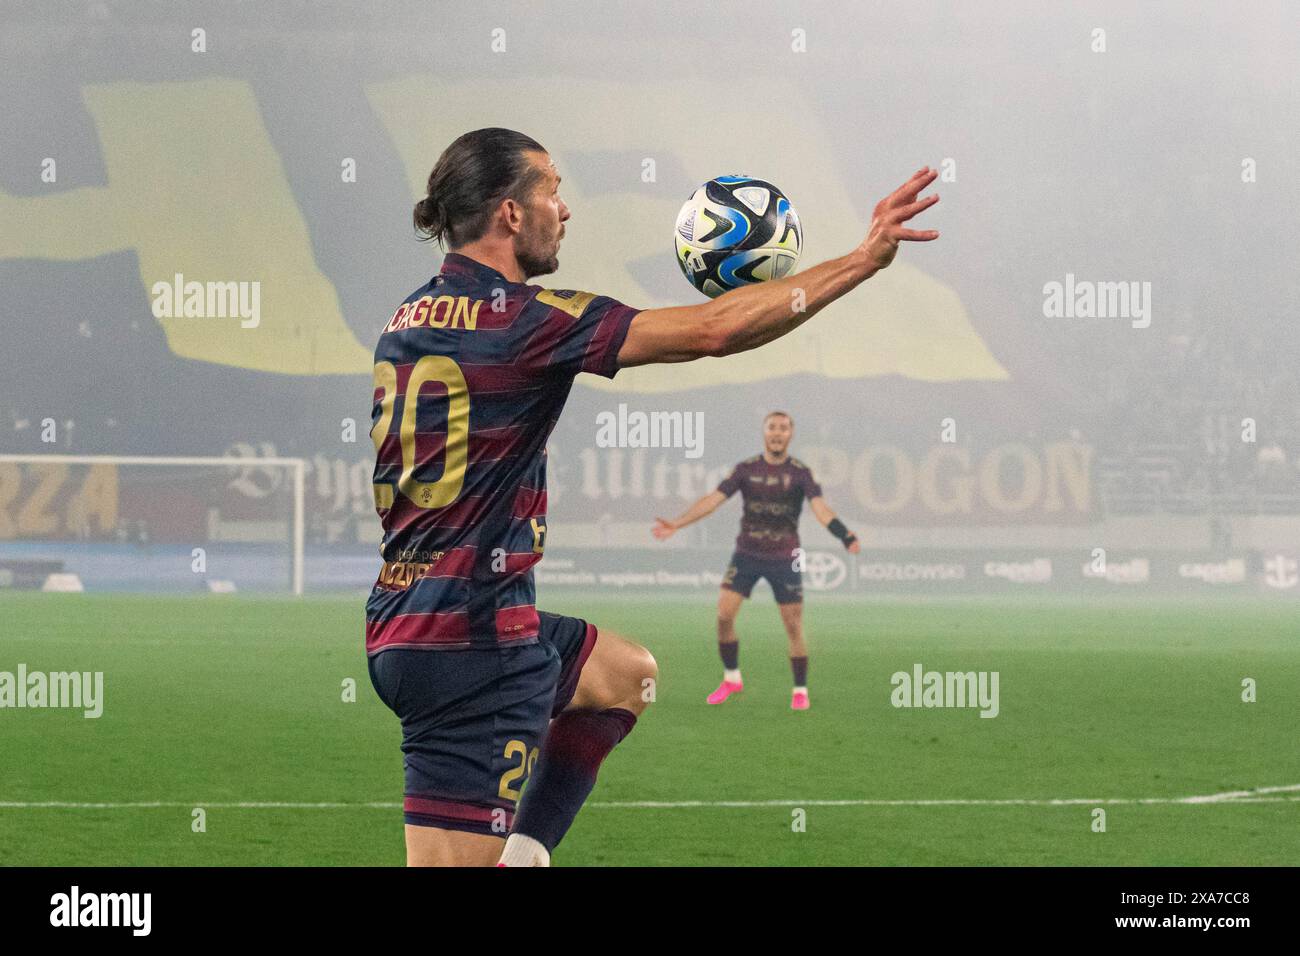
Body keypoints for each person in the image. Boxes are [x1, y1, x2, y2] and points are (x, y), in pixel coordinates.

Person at [366, 127, 940, 866]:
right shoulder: (524, 321)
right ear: (509, 212)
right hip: (474, 647)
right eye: (552, 190)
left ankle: (526, 855)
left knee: (626, 674)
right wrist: (863, 259)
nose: (564, 209)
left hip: (413, 616)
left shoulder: (405, 320)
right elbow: (711, 331)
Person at [652, 411, 860, 710]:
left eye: (783, 428)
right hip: (747, 554)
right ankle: (731, 678)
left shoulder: (801, 473)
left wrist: (844, 534)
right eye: (772, 427)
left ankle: (800, 690)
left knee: (793, 624)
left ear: (791, 434)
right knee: (724, 615)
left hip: (785, 556)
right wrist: (677, 523)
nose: (777, 433)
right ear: (764, 432)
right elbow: (713, 500)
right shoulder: (746, 469)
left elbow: (820, 508)